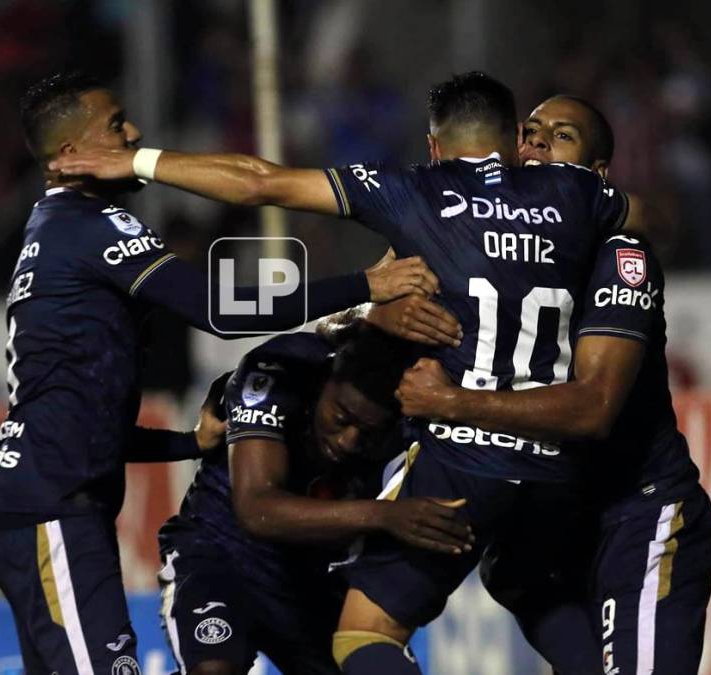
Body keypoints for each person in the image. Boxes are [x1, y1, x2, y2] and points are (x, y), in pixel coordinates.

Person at [51, 70, 661, 674]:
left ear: (433, 146)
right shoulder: (583, 197)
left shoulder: (412, 192)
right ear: (512, 144)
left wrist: (137, 161)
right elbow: (641, 213)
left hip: (464, 458)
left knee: (366, 638)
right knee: (538, 589)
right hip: (556, 463)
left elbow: (257, 184)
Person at [0, 71, 441, 675]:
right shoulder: (93, 227)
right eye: (116, 126)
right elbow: (217, 308)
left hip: (38, 500)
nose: (134, 133)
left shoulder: (53, 234)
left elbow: (75, 416)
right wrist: (363, 288)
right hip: (52, 508)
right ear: (71, 156)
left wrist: (186, 444)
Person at [394, 94, 711, 674]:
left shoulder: (620, 254)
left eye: (562, 135)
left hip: (637, 513)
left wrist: (449, 403)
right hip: (545, 534)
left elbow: (593, 407)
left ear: (597, 178)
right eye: (532, 130)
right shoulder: (486, 240)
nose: (538, 141)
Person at [158, 327, 472, 675]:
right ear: (323, 384)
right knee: (213, 671)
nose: (348, 441)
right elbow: (256, 508)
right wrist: (386, 515)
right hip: (219, 553)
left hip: (313, 583)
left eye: (369, 432)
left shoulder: (416, 415)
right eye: (341, 418)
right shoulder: (278, 369)